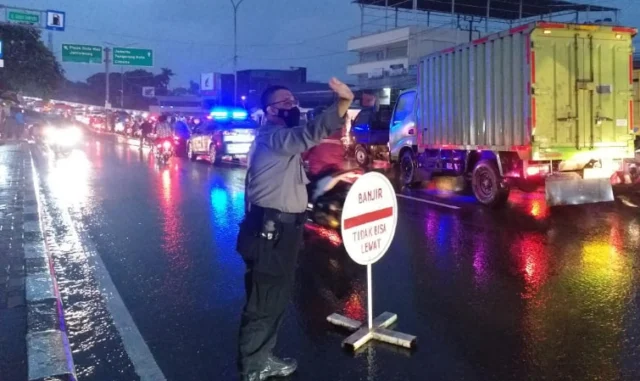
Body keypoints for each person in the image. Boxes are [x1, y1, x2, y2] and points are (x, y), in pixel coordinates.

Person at [237, 78, 353, 381]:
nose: (293, 106)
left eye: (293, 101)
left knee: (273, 299)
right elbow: (310, 134)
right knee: (265, 302)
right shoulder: (274, 137)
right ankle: (254, 366)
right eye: (285, 103)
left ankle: (261, 358)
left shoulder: (280, 140)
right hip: (270, 233)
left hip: (279, 232)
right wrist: (341, 104)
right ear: (270, 111)